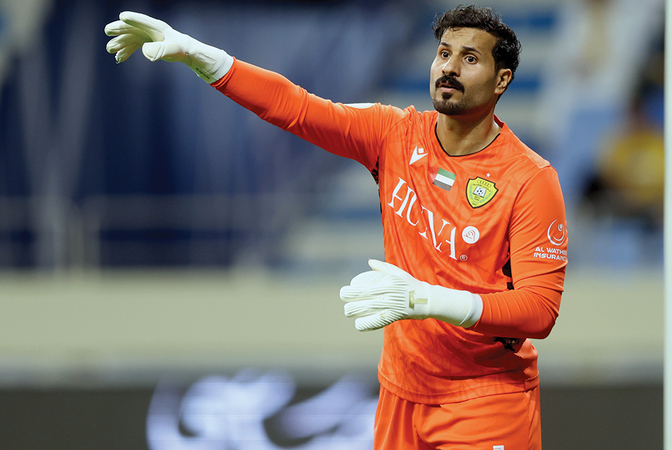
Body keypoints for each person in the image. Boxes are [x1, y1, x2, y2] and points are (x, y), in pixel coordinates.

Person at [105, 5, 568, 449]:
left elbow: (539, 311)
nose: (448, 67)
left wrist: (426, 300)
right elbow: (295, 107)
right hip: (401, 392)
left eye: (469, 59)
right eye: (444, 53)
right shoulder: (394, 134)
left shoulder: (530, 180)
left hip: (485, 398)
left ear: (502, 79)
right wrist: (199, 56)